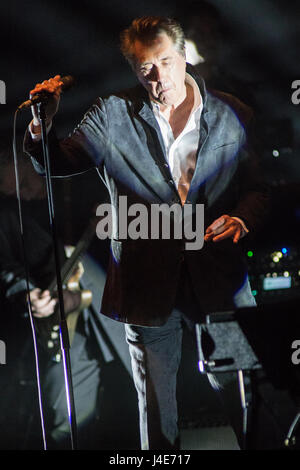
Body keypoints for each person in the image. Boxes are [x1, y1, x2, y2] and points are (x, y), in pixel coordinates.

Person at [23, 16, 269, 449]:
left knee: (243, 396)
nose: (159, 76)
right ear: (134, 69)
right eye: (145, 68)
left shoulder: (232, 113)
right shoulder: (112, 114)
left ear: (185, 56)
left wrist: (243, 217)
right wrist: (42, 127)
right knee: (156, 411)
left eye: (166, 61)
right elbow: (59, 163)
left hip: (219, 277)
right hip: (145, 283)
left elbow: (259, 189)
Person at [0, 144, 103, 449]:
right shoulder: (11, 216)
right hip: (66, 331)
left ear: (29, 160)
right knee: (64, 416)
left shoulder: (81, 180)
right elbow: (4, 266)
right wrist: (29, 293)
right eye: (12, 193)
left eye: (22, 183)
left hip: (117, 317)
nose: (23, 194)